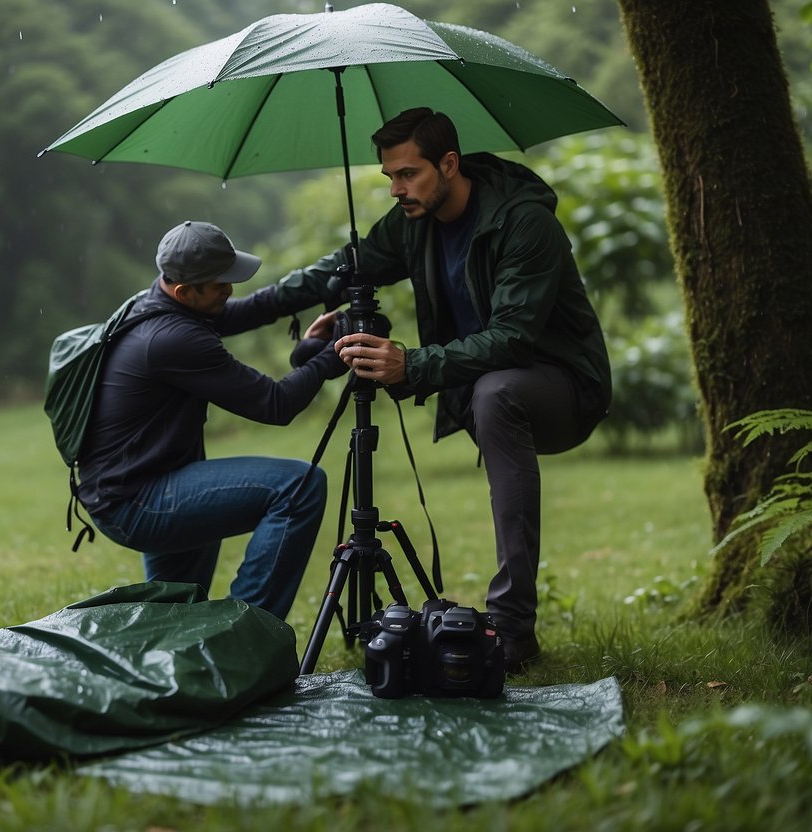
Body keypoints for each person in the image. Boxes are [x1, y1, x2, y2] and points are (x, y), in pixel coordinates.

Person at [275, 109, 612, 669]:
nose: (397, 188)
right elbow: (344, 266)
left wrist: (410, 364)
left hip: (565, 389)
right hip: (490, 385)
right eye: (389, 177)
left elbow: (511, 340)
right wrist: (232, 309)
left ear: (449, 164)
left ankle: (512, 628)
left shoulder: (525, 223)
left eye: (409, 174)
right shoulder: (413, 221)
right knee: (492, 393)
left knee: (495, 393)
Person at [76, 220, 348, 620]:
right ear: (186, 290)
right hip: (138, 499)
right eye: (220, 284)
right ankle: (247, 633)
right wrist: (334, 353)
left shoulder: (160, 301)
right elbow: (276, 404)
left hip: (137, 485)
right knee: (298, 486)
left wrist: (328, 277)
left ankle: (176, 658)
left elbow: (257, 307)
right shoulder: (172, 337)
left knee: (175, 612)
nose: (230, 290)